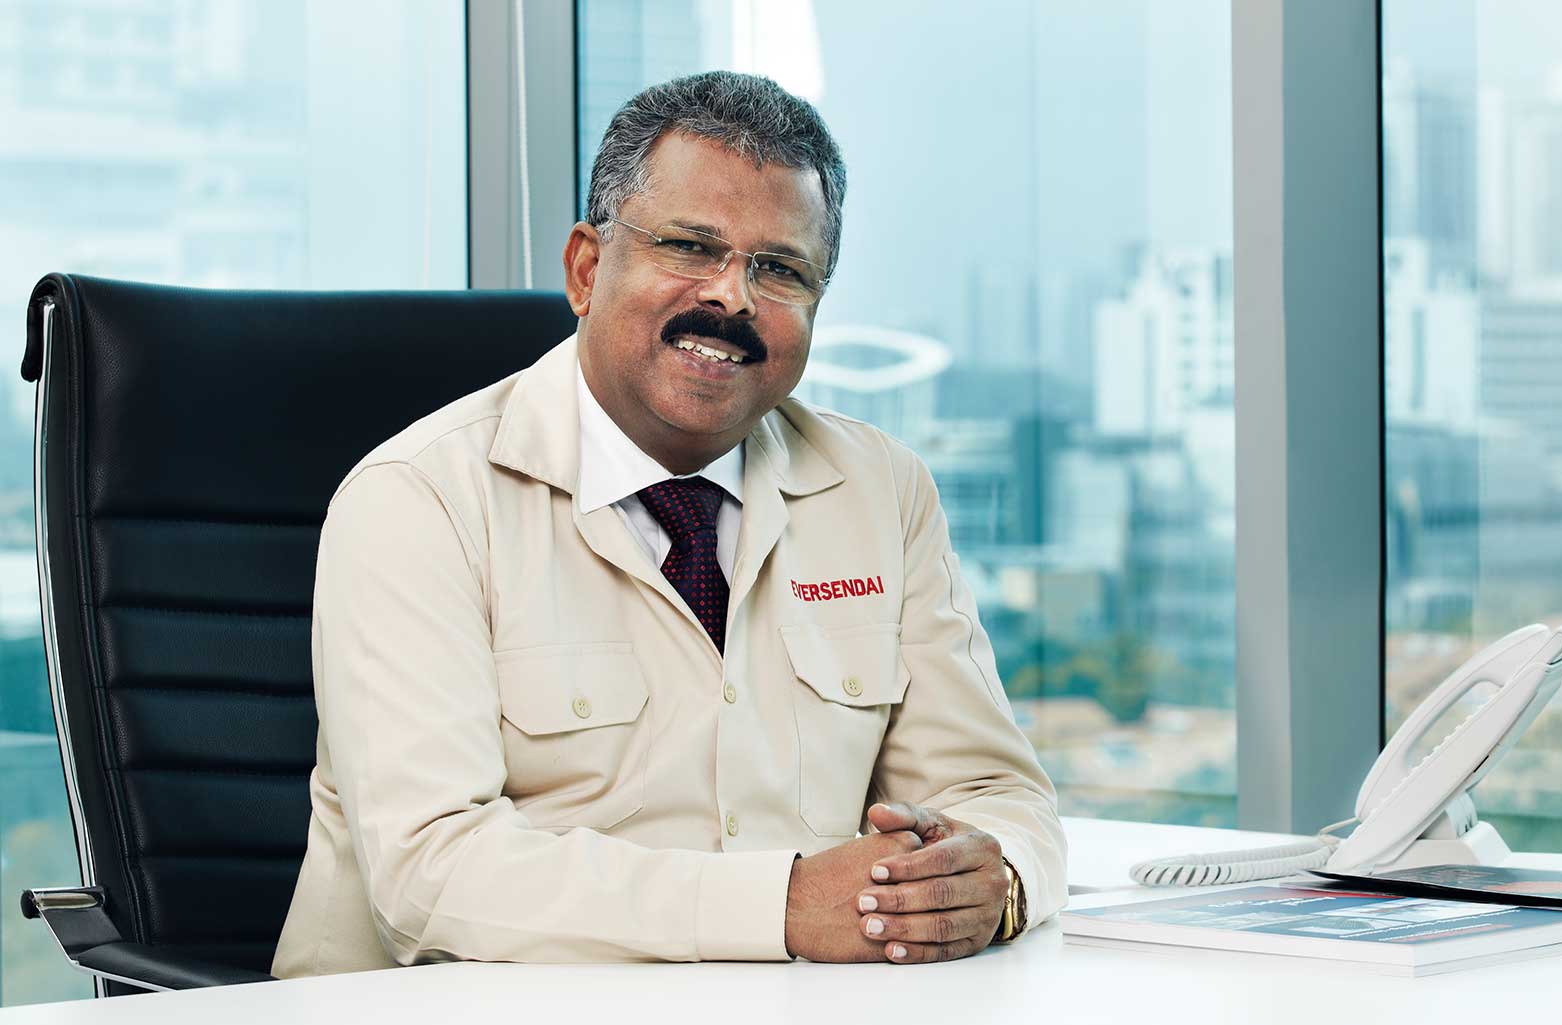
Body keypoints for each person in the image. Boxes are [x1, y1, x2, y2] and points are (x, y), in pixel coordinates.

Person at [272, 70, 1066, 977]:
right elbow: (430, 874)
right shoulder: (419, 497)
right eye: (690, 246)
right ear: (586, 269)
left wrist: (993, 879)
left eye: (780, 269)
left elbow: (991, 790)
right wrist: (783, 905)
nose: (732, 296)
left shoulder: (878, 488)